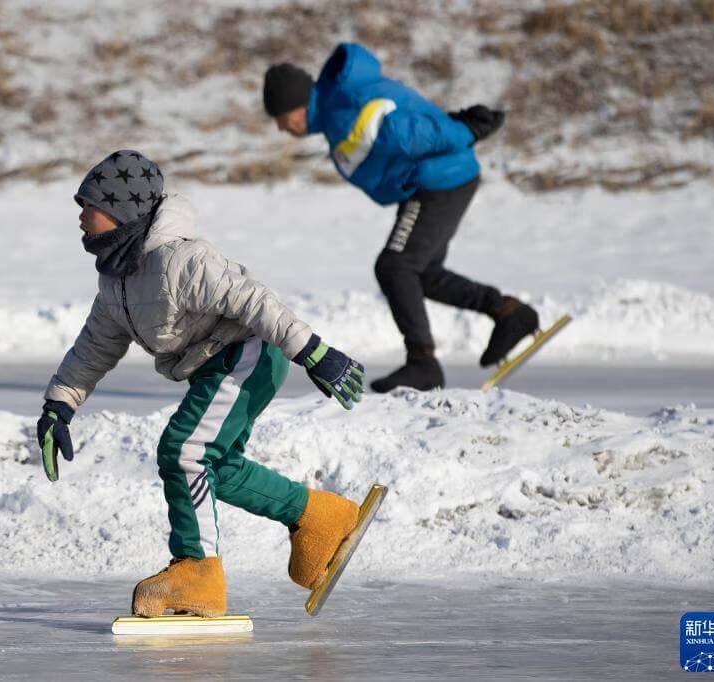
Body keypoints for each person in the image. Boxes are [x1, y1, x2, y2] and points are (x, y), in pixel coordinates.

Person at [37, 150, 367, 617]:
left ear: (118, 209)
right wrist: (59, 406)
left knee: (184, 451)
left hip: (250, 351)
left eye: (86, 205)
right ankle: (318, 517)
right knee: (215, 465)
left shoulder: (182, 260)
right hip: (217, 362)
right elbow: (92, 348)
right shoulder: (117, 281)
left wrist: (312, 351)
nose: (80, 216)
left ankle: (197, 572)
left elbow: (254, 301)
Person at [263, 43, 540, 392]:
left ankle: (423, 363)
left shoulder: (343, 106)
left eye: (280, 117)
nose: (279, 127)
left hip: (440, 179)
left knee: (396, 266)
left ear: (296, 106)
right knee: (420, 273)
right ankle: (509, 313)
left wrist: (466, 131)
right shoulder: (336, 113)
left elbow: (405, 132)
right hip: (433, 181)